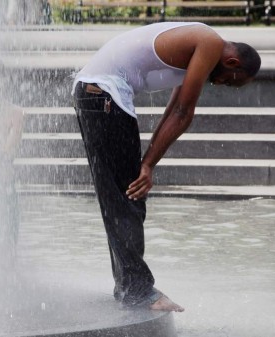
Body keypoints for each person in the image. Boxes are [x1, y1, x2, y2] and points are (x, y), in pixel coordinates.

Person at [72, 22, 260, 312]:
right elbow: (184, 112)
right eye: (229, 81)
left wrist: (147, 162)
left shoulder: (198, 43)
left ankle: (129, 287)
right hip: (104, 95)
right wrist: (146, 165)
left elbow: (173, 110)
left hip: (93, 92)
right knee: (129, 196)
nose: (219, 84)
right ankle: (137, 290)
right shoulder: (210, 44)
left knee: (120, 197)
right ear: (232, 62)